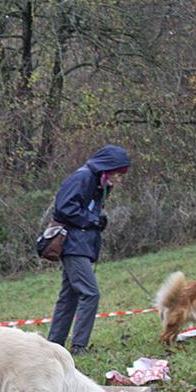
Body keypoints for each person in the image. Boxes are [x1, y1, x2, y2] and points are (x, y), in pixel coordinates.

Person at [46, 144, 130, 355]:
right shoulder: (82, 178)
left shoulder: (98, 183)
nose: (119, 179)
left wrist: (97, 220)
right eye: (118, 174)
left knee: (69, 296)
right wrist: (93, 220)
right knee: (90, 293)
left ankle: (53, 345)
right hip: (72, 245)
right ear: (107, 168)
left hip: (81, 244)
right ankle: (79, 346)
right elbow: (64, 208)